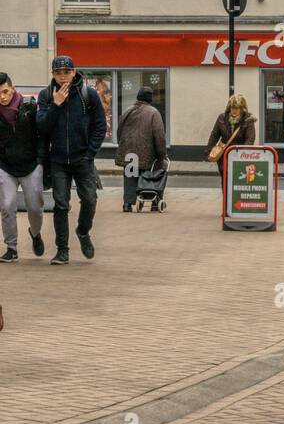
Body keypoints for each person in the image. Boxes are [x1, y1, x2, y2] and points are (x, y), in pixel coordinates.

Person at [36, 55, 106, 266]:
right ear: (53, 74)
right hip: (57, 160)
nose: (63, 76)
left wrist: (90, 153)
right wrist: (55, 105)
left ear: (74, 71)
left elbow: (100, 126)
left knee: (90, 200)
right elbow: (41, 127)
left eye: (66, 72)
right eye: (58, 73)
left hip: (83, 159)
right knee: (60, 205)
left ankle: (83, 232)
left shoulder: (89, 95)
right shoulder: (46, 95)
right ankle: (62, 250)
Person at [0, 73, 45, 262]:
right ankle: (11, 248)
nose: (2, 97)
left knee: (35, 207)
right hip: (5, 166)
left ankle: (35, 233)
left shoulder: (29, 107)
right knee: (7, 205)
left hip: (31, 164)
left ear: (13, 88)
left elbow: (42, 134)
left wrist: (41, 160)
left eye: (5, 91)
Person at [116, 87, 167, 212]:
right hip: (147, 152)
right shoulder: (153, 112)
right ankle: (154, 202)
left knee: (130, 176)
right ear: (150, 98)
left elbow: (119, 132)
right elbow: (159, 135)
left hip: (129, 151)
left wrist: (123, 146)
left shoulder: (127, 110)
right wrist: (161, 155)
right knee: (151, 175)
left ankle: (128, 204)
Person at [207, 94, 256, 175]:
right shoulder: (222, 117)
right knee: (225, 176)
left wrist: (242, 153)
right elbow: (214, 135)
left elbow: (250, 139)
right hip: (224, 153)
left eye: (237, 108)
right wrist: (209, 149)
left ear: (242, 108)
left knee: (237, 178)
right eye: (232, 107)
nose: (234, 110)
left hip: (240, 155)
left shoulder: (248, 120)